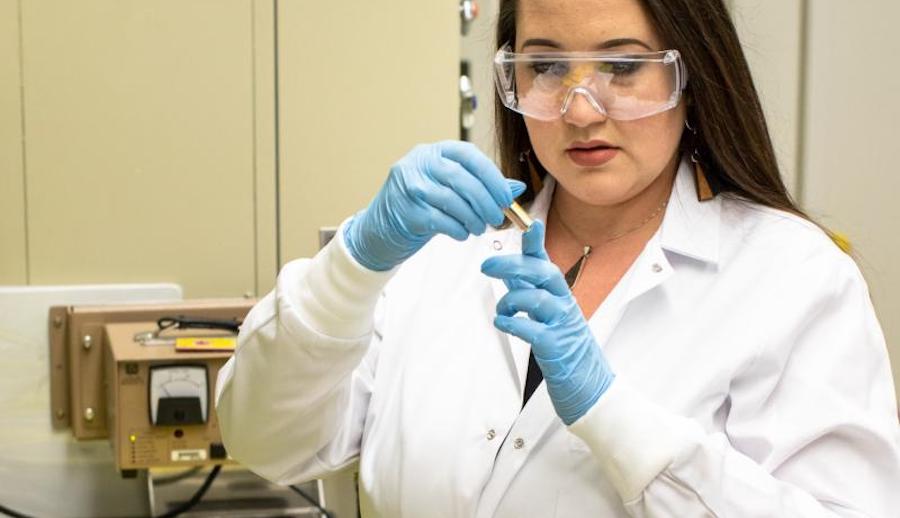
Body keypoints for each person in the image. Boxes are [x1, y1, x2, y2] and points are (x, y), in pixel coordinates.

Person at [215, 0, 900, 516]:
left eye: (624, 68)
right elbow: (265, 441)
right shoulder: (441, 258)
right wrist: (354, 265)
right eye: (545, 67)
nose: (579, 110)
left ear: (693, 77)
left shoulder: (792, 280)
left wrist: (612, 417)